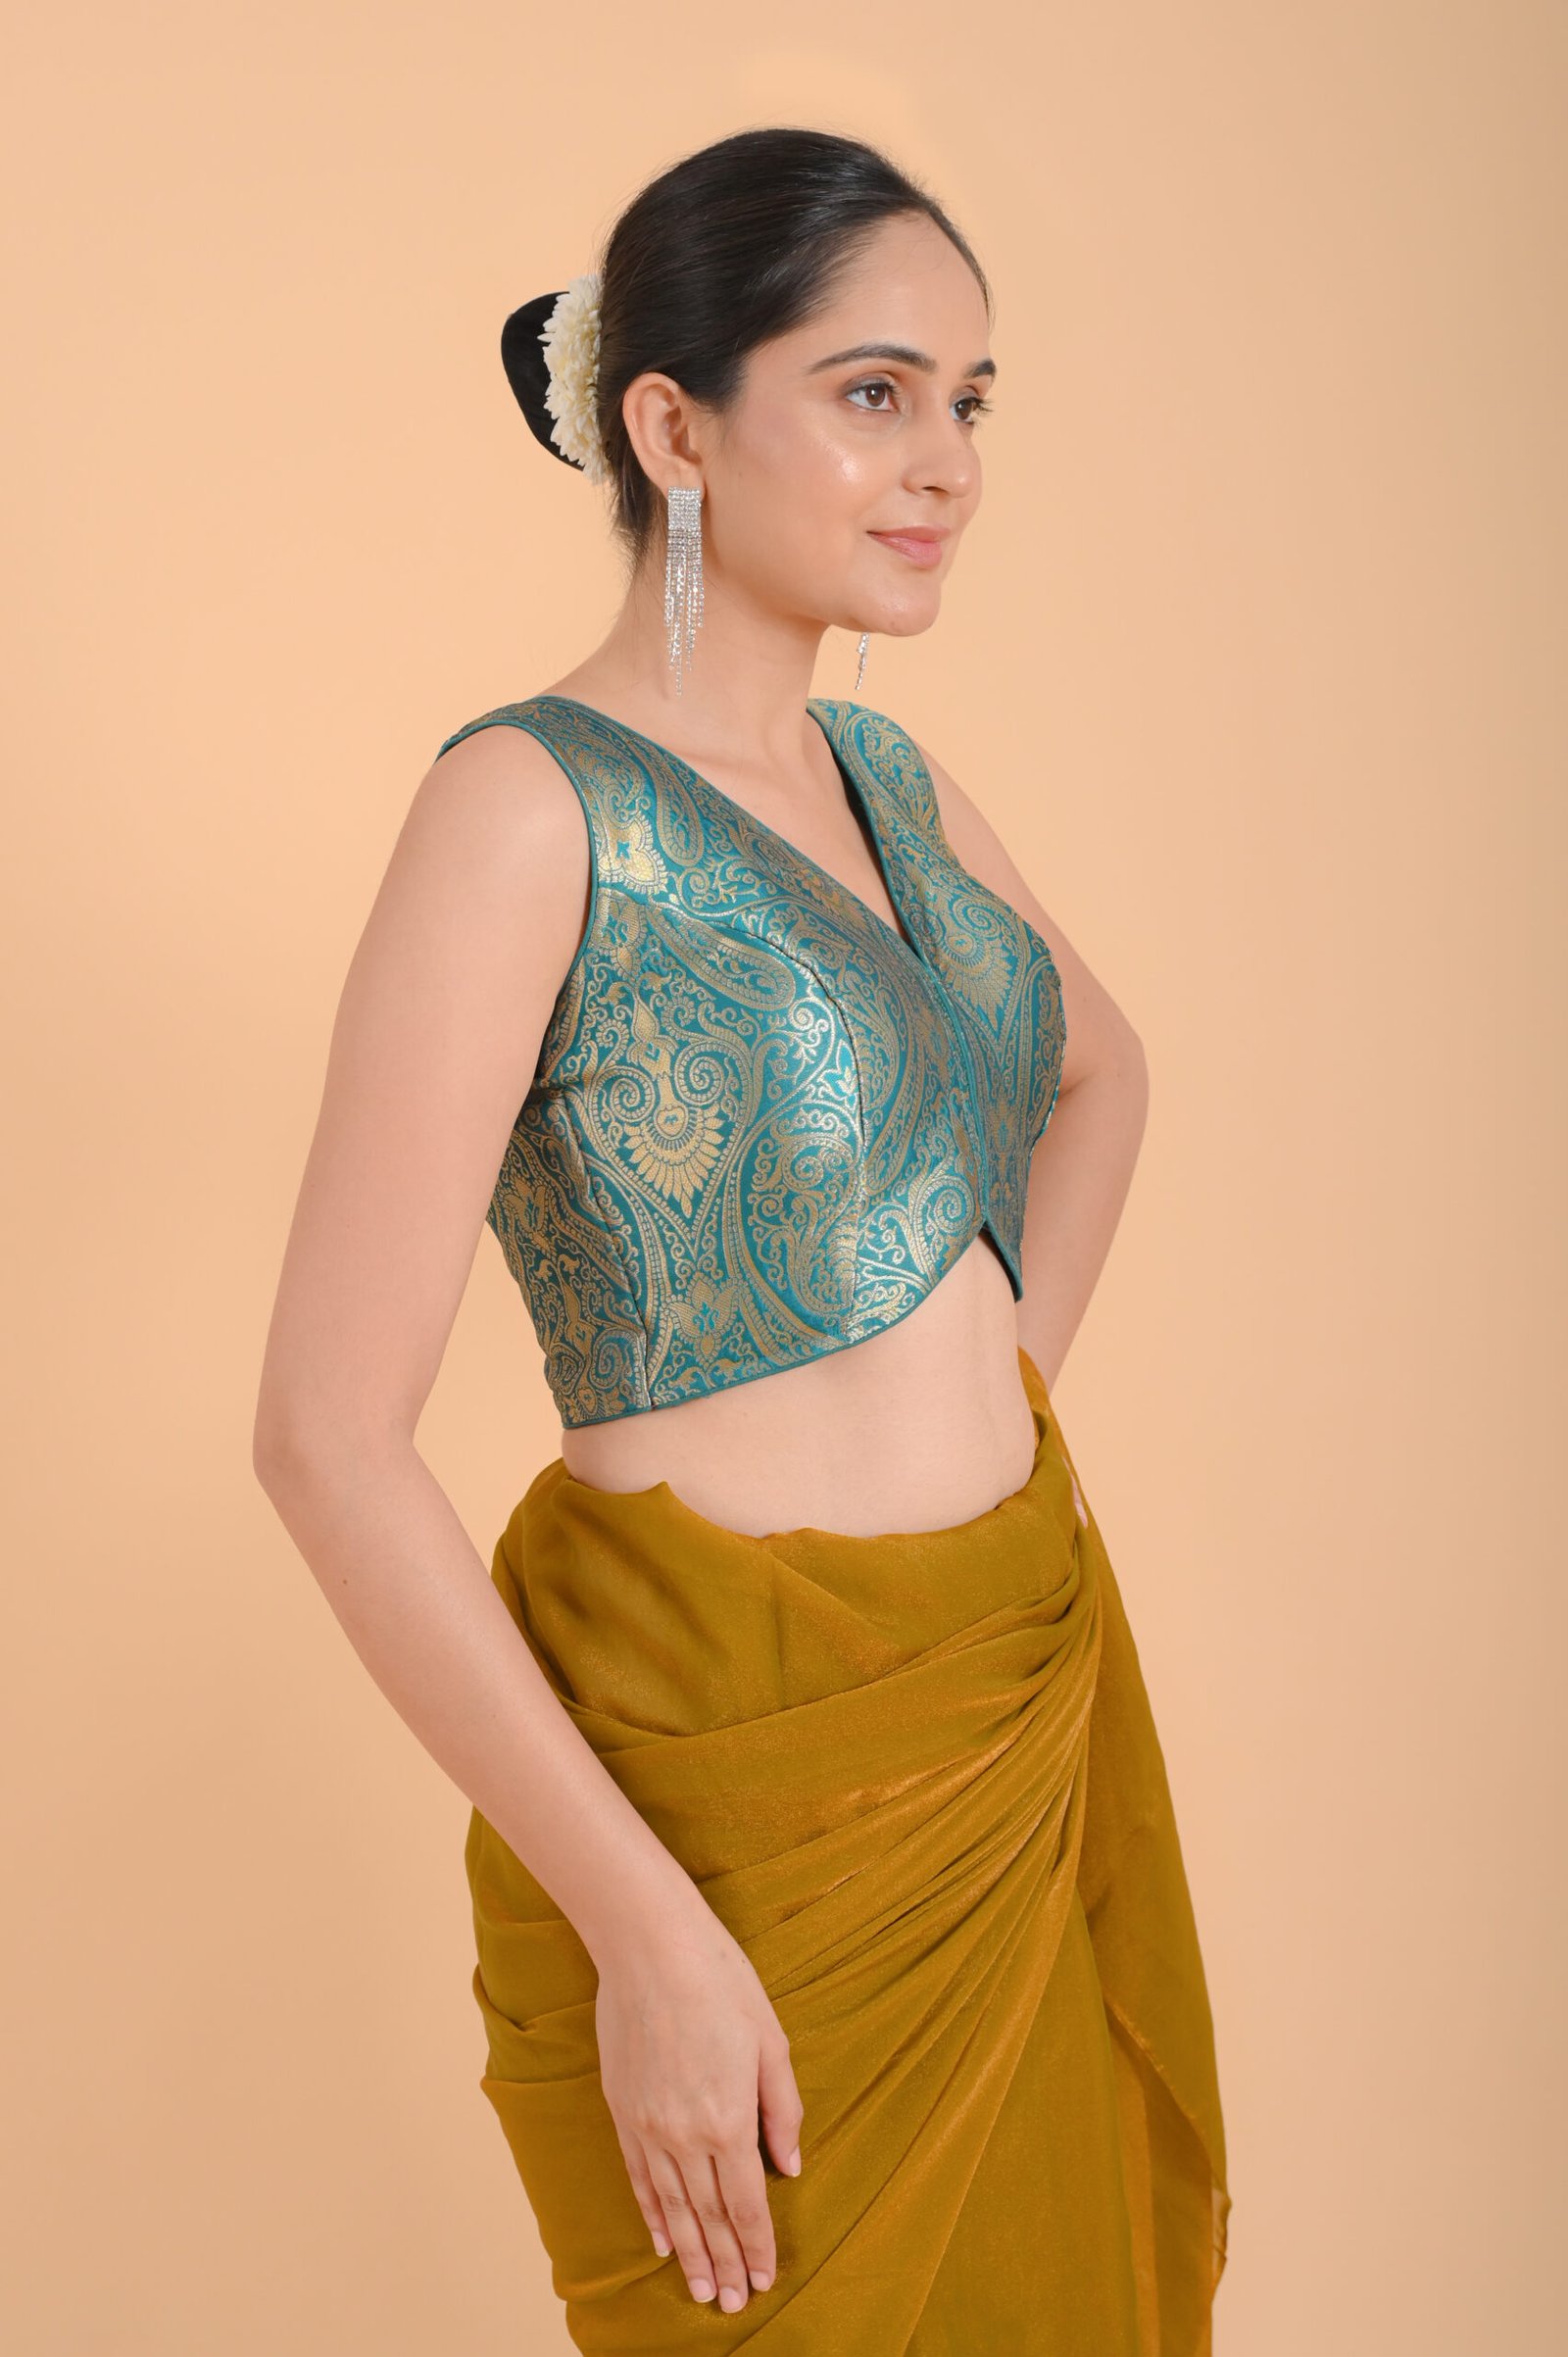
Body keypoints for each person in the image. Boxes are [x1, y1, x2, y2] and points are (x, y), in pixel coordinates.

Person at [254, 124, 1230, 2353]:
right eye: (873, 392)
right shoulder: (522, 811)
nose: (946, 461)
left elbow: (1105, 1074)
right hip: (722, 1804)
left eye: (967, 399)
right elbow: (324, 1437)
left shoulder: (898, 784)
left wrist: (990, 1406)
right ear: (672, 428)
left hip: (1003, 1691)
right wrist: (649, 1939)